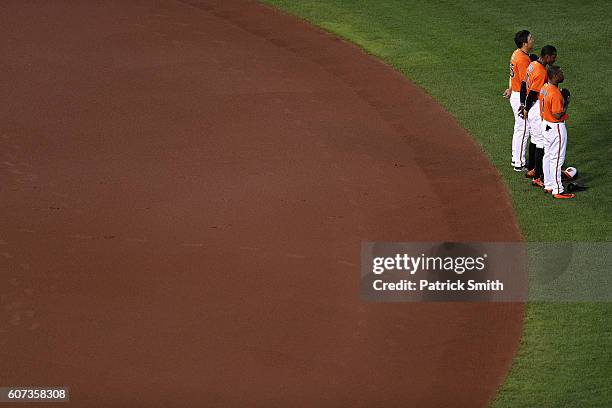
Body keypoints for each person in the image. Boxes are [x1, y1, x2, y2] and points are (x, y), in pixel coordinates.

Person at [519, 45, 557, 186]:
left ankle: (532, 168)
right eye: (553, 56)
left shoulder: (532, 64)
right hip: (535, 107)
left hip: (531, 106)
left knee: (535, 139)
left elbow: (523, 84)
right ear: (547, 57)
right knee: (540, 141)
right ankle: (539, 175)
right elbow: (534, 93)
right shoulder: (541, 71)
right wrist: (527, 108)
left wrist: (523, 105)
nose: (554, 58)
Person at [539, 65, 575, 199]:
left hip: (545, 125)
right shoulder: (554, 93)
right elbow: (558, 115)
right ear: (554, 76)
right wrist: (566, 102)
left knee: (547, 156)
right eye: (560, 72)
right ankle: (558, 190)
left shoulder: (544, 88)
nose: (562, 74)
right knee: (557, 160)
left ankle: (548, 185)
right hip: (555, 128)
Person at [504, 30, 535, 171]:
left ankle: (516, 158)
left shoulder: (516, 53)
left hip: (515, 94)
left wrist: (510, 87)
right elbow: (525, 84)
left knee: (520, 128)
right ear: (524, 43)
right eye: (530, 38)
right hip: (519, 97)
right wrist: (525, 103)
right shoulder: (522, 59)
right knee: (523, 129)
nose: (533, 40)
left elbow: (512, 75)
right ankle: (519, 163)